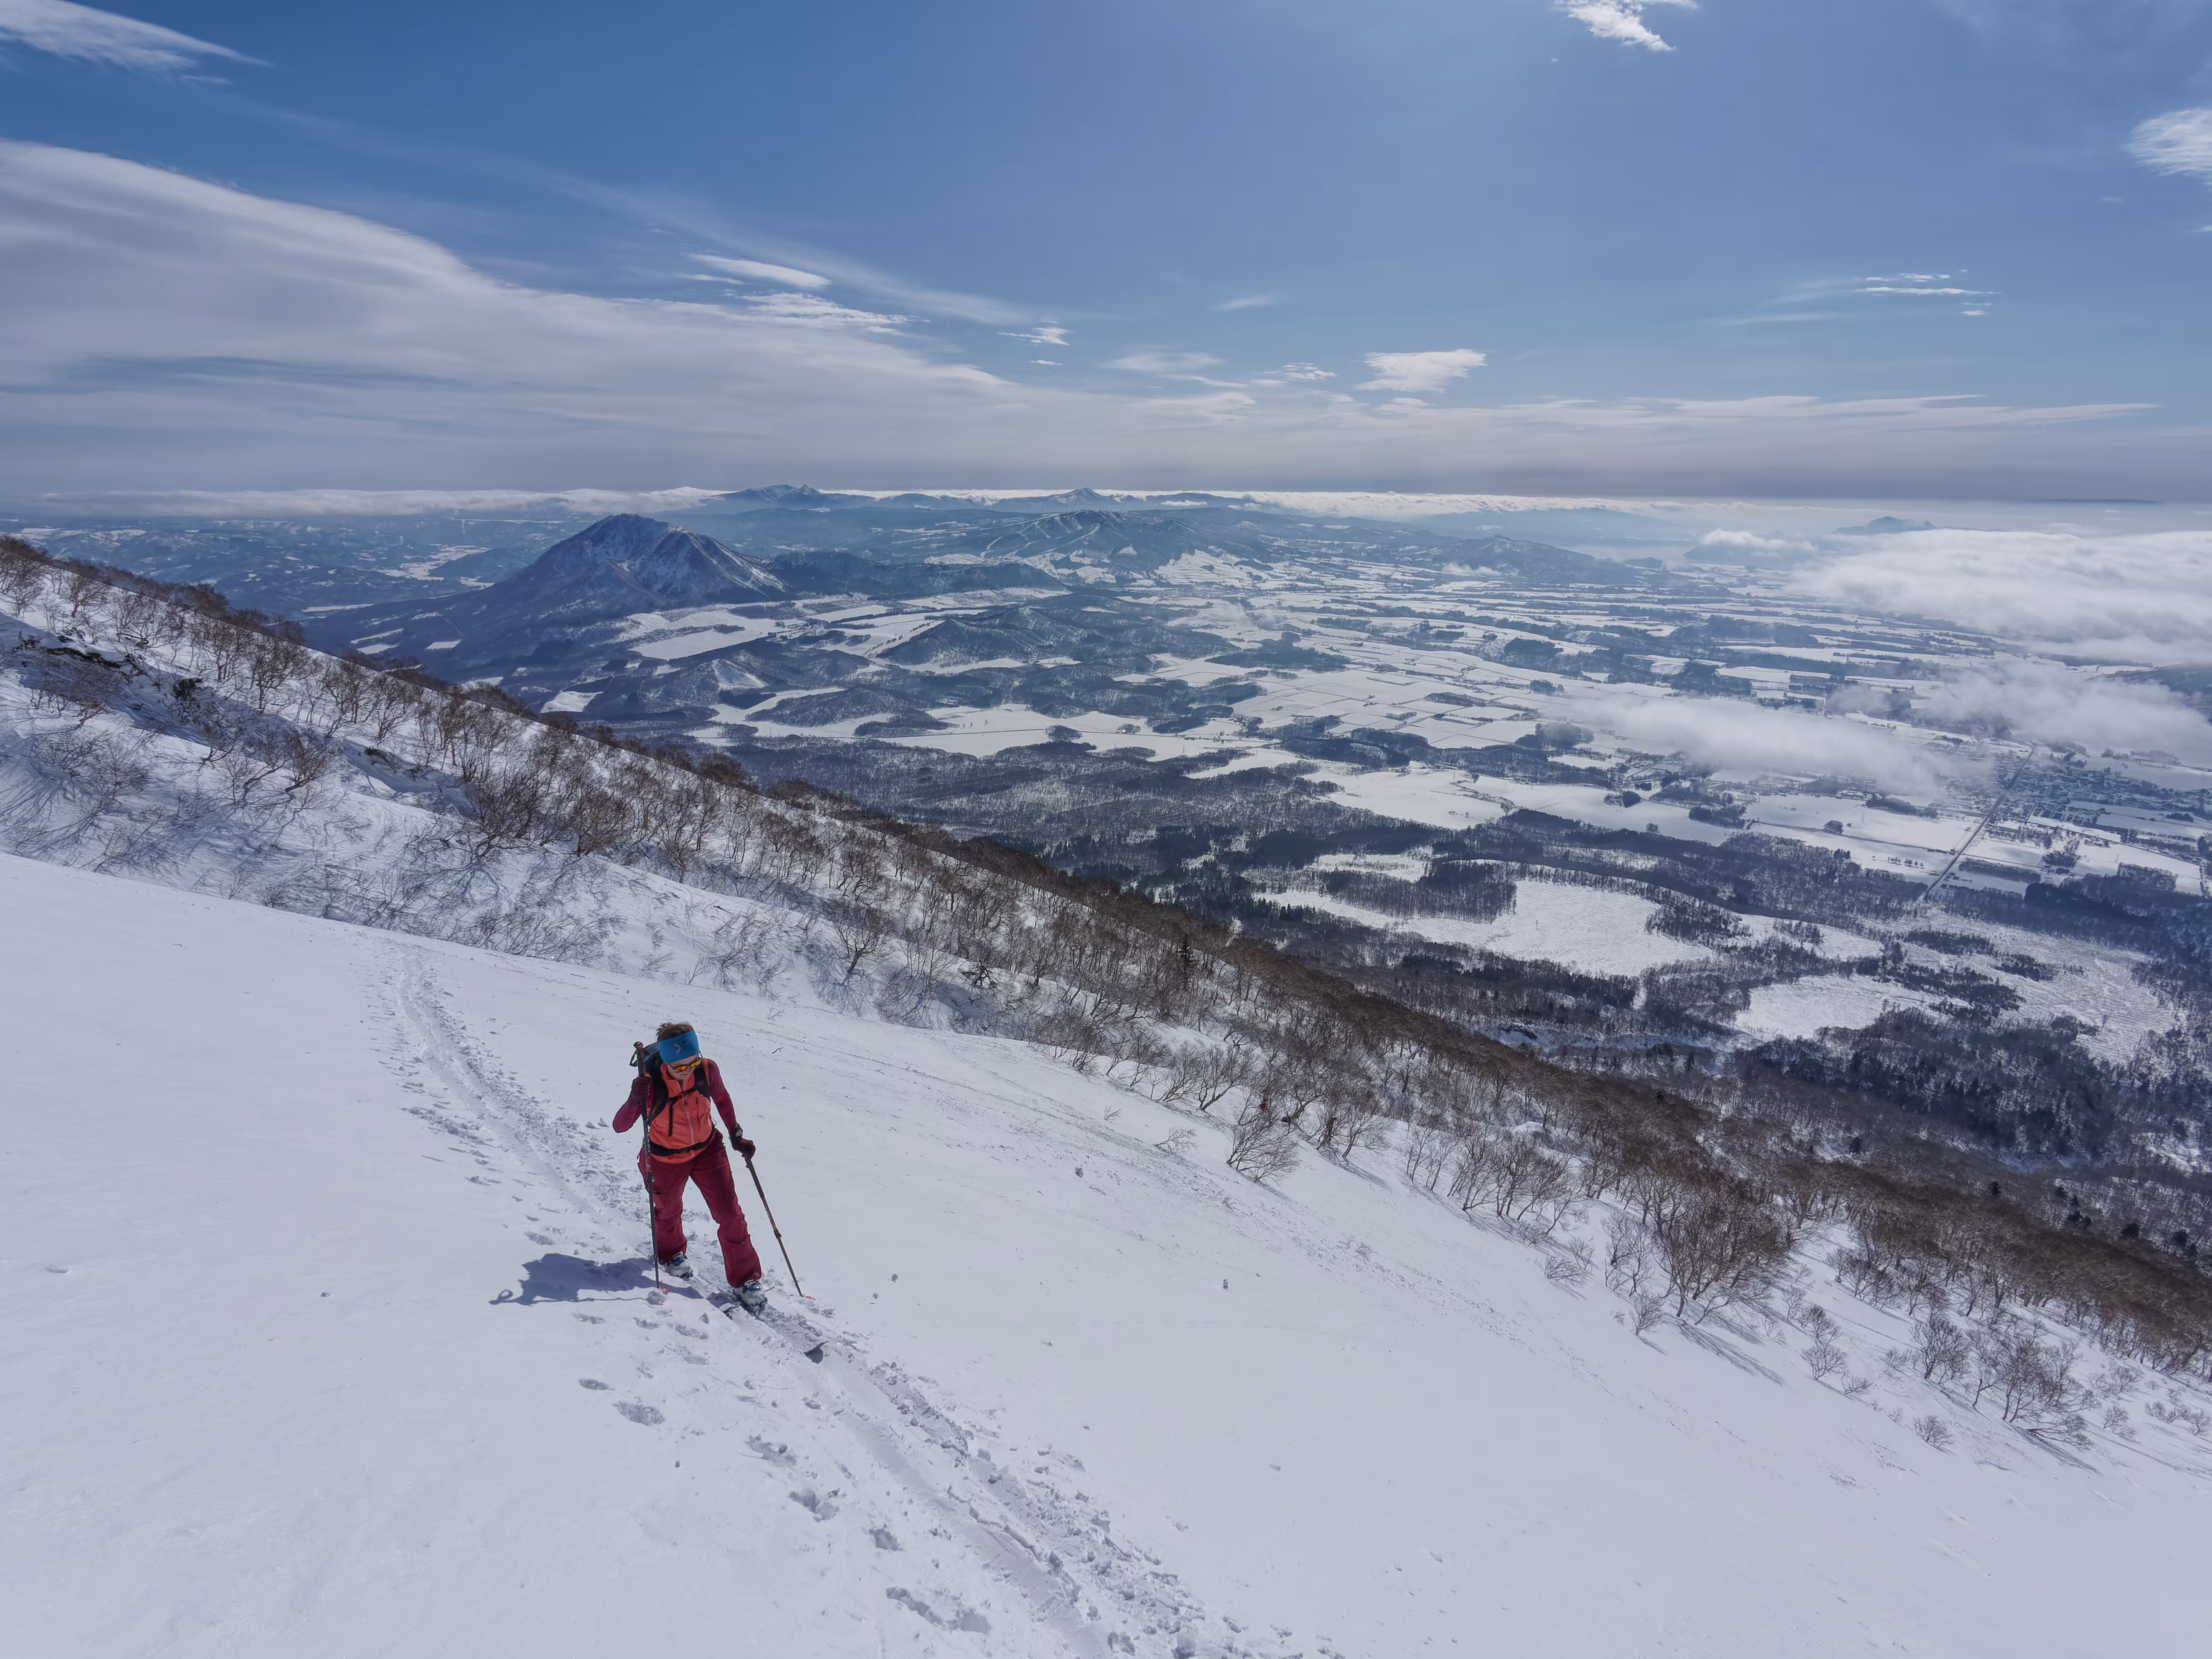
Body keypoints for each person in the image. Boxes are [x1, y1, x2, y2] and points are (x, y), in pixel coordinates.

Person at [613, 1020, 767, 1314]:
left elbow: (721, 1097)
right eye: (680, 1066)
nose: (688, 1070)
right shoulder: (652, 1084)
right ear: (667, 1062)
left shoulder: (706, 1069)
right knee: (668, 1212)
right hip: (664, 1157)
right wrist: (635, 1098)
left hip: (708, 1150)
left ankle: (746, 1279)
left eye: (692, 1062)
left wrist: (736, 1134)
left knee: (731, 1214)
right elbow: (620, 1126)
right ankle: (672, 1255)